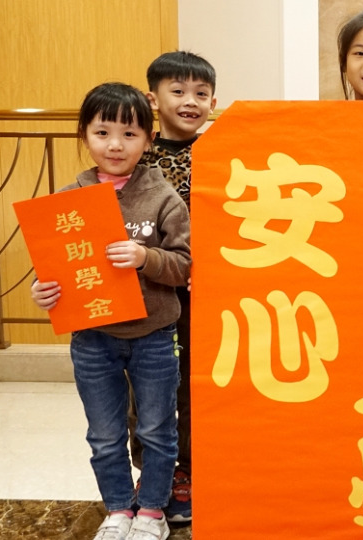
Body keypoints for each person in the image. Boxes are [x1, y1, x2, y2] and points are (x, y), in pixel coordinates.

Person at [31, 82, 191, 540]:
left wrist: (146, 258)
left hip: (154, 335)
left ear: (148, 139)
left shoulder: (163, 197)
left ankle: (152, 511)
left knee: (157, 430)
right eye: (103, 133)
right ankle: (119, 508)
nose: (115, 145)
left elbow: (184, 266)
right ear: (84, 135)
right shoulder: (67, 200)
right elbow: (55, 271)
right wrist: (45, 292)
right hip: (92, 337)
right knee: (103, 434)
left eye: (130, 134)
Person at [128, 50, 216, 526]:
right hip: (149, 292)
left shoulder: (224, 151)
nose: (190, 101)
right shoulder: (136, 156)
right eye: (177, 91)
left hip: (207, 292)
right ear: (152, 99)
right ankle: (152, 470)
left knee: (194, 384)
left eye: (201, 93)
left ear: (213, 102)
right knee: (147, 387)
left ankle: (190, 470)